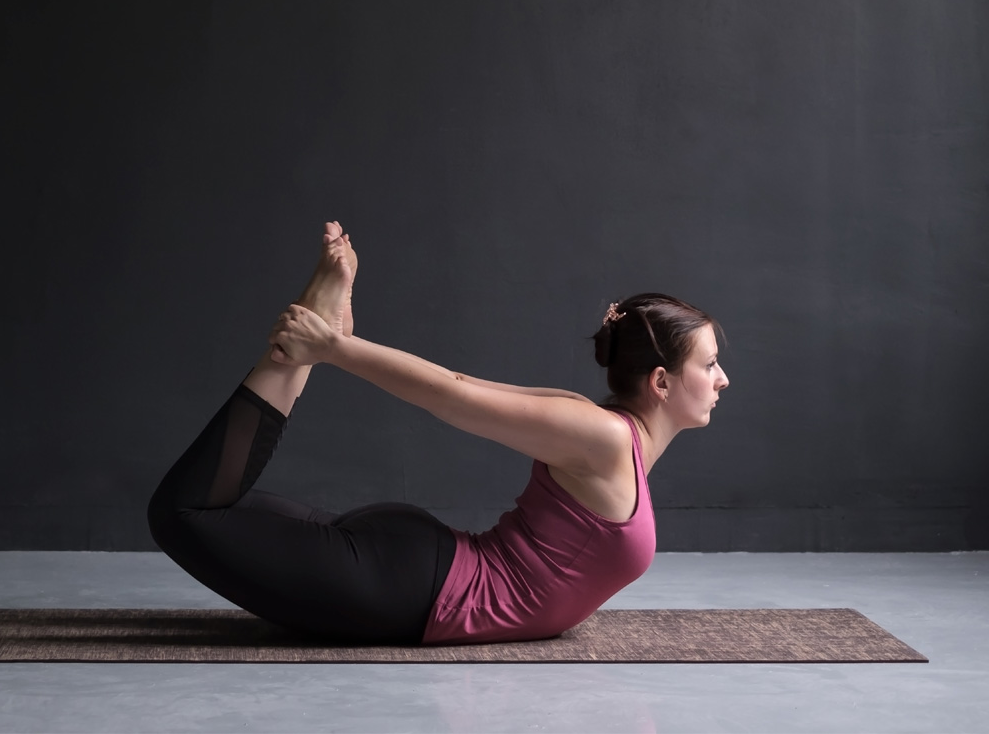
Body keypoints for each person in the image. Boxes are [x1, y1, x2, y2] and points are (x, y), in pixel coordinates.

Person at [147, 221, 729, 645]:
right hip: (410, 589)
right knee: (183, 514)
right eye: (708, 364)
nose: (721, 379)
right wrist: (335, 348)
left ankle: (310, 342)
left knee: (208, 507)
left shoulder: (603, 433)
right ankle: (304, 346)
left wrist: (337, 347)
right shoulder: (601, 436)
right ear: (660, 381)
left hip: (415, 570)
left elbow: (461, 382)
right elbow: (454, 393)